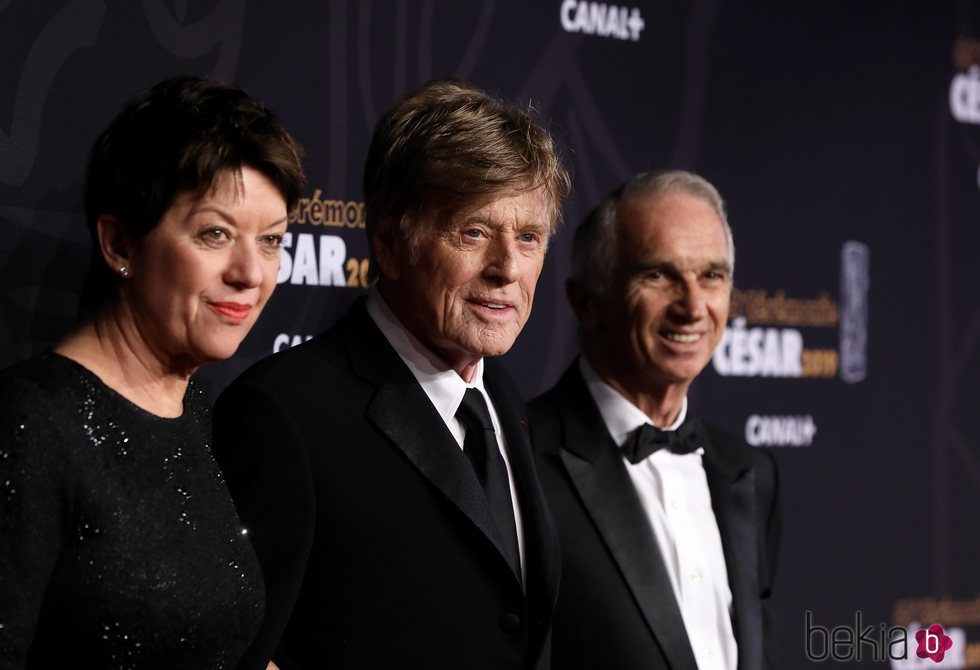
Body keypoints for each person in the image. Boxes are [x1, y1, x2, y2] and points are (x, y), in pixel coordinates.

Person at [211, 79, 569, 670]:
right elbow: (241, 651)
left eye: (528, 238)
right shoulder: (284, 413)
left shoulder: (503, 400)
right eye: (474, 232)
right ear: (389, 241)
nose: (507, 268)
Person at [0, 75, 305, 669]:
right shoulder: (29, 427)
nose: (250, 272)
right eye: (215, 233)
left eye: (270, 241)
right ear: (120, 245)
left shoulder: (190, 409)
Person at [529, 170, 781, 670]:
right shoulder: (518, 462)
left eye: (712, 275)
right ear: (586, 301)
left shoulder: (749, 473)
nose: (693, 306)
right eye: (658, 275)